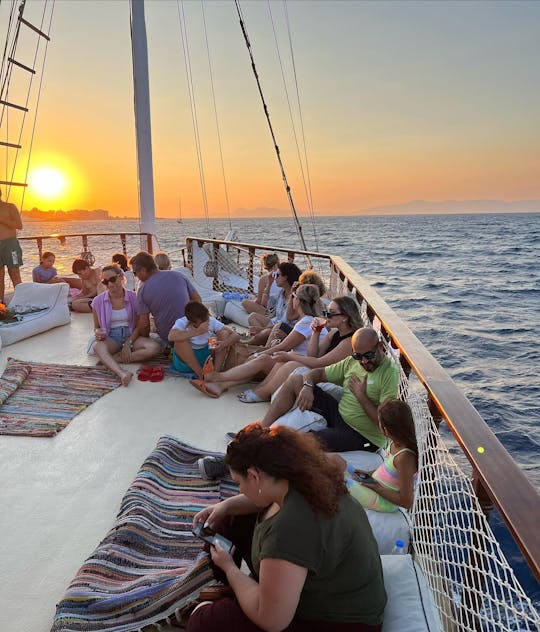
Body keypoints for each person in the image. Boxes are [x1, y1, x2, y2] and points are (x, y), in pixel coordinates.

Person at [188, 424, 386, 632]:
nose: (240, 489)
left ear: (255, 476)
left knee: (202, 622)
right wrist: (225, 506)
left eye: (239, 482)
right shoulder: (304, 477)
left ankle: (233, 592)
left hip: (337, 622)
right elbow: (261, 500)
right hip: (327, 585)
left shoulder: (288, 530)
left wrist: (230, 568)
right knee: (228, 518)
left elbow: (272, 621)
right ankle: (234, 591)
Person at [259, 326, 400, 452]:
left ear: (381, 346)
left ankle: (265, 456)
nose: (363, 361)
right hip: (339, 414)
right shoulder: (352, 362)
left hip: (361, 435)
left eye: (369, 355)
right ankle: (260, 431)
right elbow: (317, 373)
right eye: (358, 355)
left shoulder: (389, 374)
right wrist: (307, 387)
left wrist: (361, 396)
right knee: (296, 380)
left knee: (301, 442)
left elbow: (385, 425)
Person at [191, 284, 324, 399]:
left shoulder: (307, 322)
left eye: (293, 296)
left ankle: (216, 377)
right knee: (259, 359)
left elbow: (284, 346)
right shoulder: (311, 320)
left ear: (298, 301)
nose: (292, 299)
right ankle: (220, 386)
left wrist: (259, 353)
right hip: (298, 362)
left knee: (261, 359)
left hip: (300, 366)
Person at [237, 296, 361, 403]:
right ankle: (261, 390)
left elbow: (320, 363)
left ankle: (262, 393)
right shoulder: (333, 334)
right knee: (284, 360)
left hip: (334, 381)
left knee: (292, 363)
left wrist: (290, 356)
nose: (326, 316)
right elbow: (313, 355)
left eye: (331, 313)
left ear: (345, 317)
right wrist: (316, 332)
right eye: (326, 312)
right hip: (321, 373)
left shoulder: (350, 341)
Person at [329, 398, 418, 512]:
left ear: (386, 430)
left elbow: (406, 502)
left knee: (336, 481)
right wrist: (368, 474)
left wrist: (375, 487)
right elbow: (388, 470)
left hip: (382, 501)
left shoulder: (404, 458)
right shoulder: (395, 442)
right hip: (374, 484)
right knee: (335, 459)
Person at [89, 264, 161, 386]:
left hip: (132, 334)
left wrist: (129, 343)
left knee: (154, 348)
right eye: (105, 281)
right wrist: (97, 332)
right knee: (97, 347)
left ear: (121, 277)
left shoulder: (134, 297)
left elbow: (139, 325)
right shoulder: (97, 301)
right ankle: (122, 373)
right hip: (111, 336)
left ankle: (115, 359)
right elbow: (96, 326)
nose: (110, 284)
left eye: (112, 279)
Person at [130, 250, 201, 344]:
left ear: (143, 270)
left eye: (135, 273)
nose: (136, 276)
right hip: (191, 331)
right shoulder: (179, 275)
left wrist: (146, 337)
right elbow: (198, 300)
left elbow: (144, 325)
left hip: (169, 338)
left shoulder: (143, 290)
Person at [168, 300, 240, 378]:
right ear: (192, 322)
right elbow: (171, 337)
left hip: (207, 358)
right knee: (180, 341)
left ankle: (215, 372)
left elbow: (235, 335)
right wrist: (197, 332)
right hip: (187, 362)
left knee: (224, 333)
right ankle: (200, 374)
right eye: (203, 321)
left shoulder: (210, 320)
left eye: (207, 319)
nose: (207, 322)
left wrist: (223, 344)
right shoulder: (182, 322)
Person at [246, 261, 301, 346]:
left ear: (285, 277)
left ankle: (248, 343)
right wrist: (269, 283)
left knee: (267, 331)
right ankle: (262, 339)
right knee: (253, 317)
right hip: (275, 323)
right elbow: (264, 303)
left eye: (277, 275)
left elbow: (284, 323)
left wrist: (261, 329)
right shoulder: (282, 292)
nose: (275, 278)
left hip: (285, 329)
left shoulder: (296, 296)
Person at [0, 188, 23, 303]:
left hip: (10, 244)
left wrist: (2, 219)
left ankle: (21, 301)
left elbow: (19, 225)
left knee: (14, 273)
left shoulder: (10, 207)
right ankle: (1, 303)